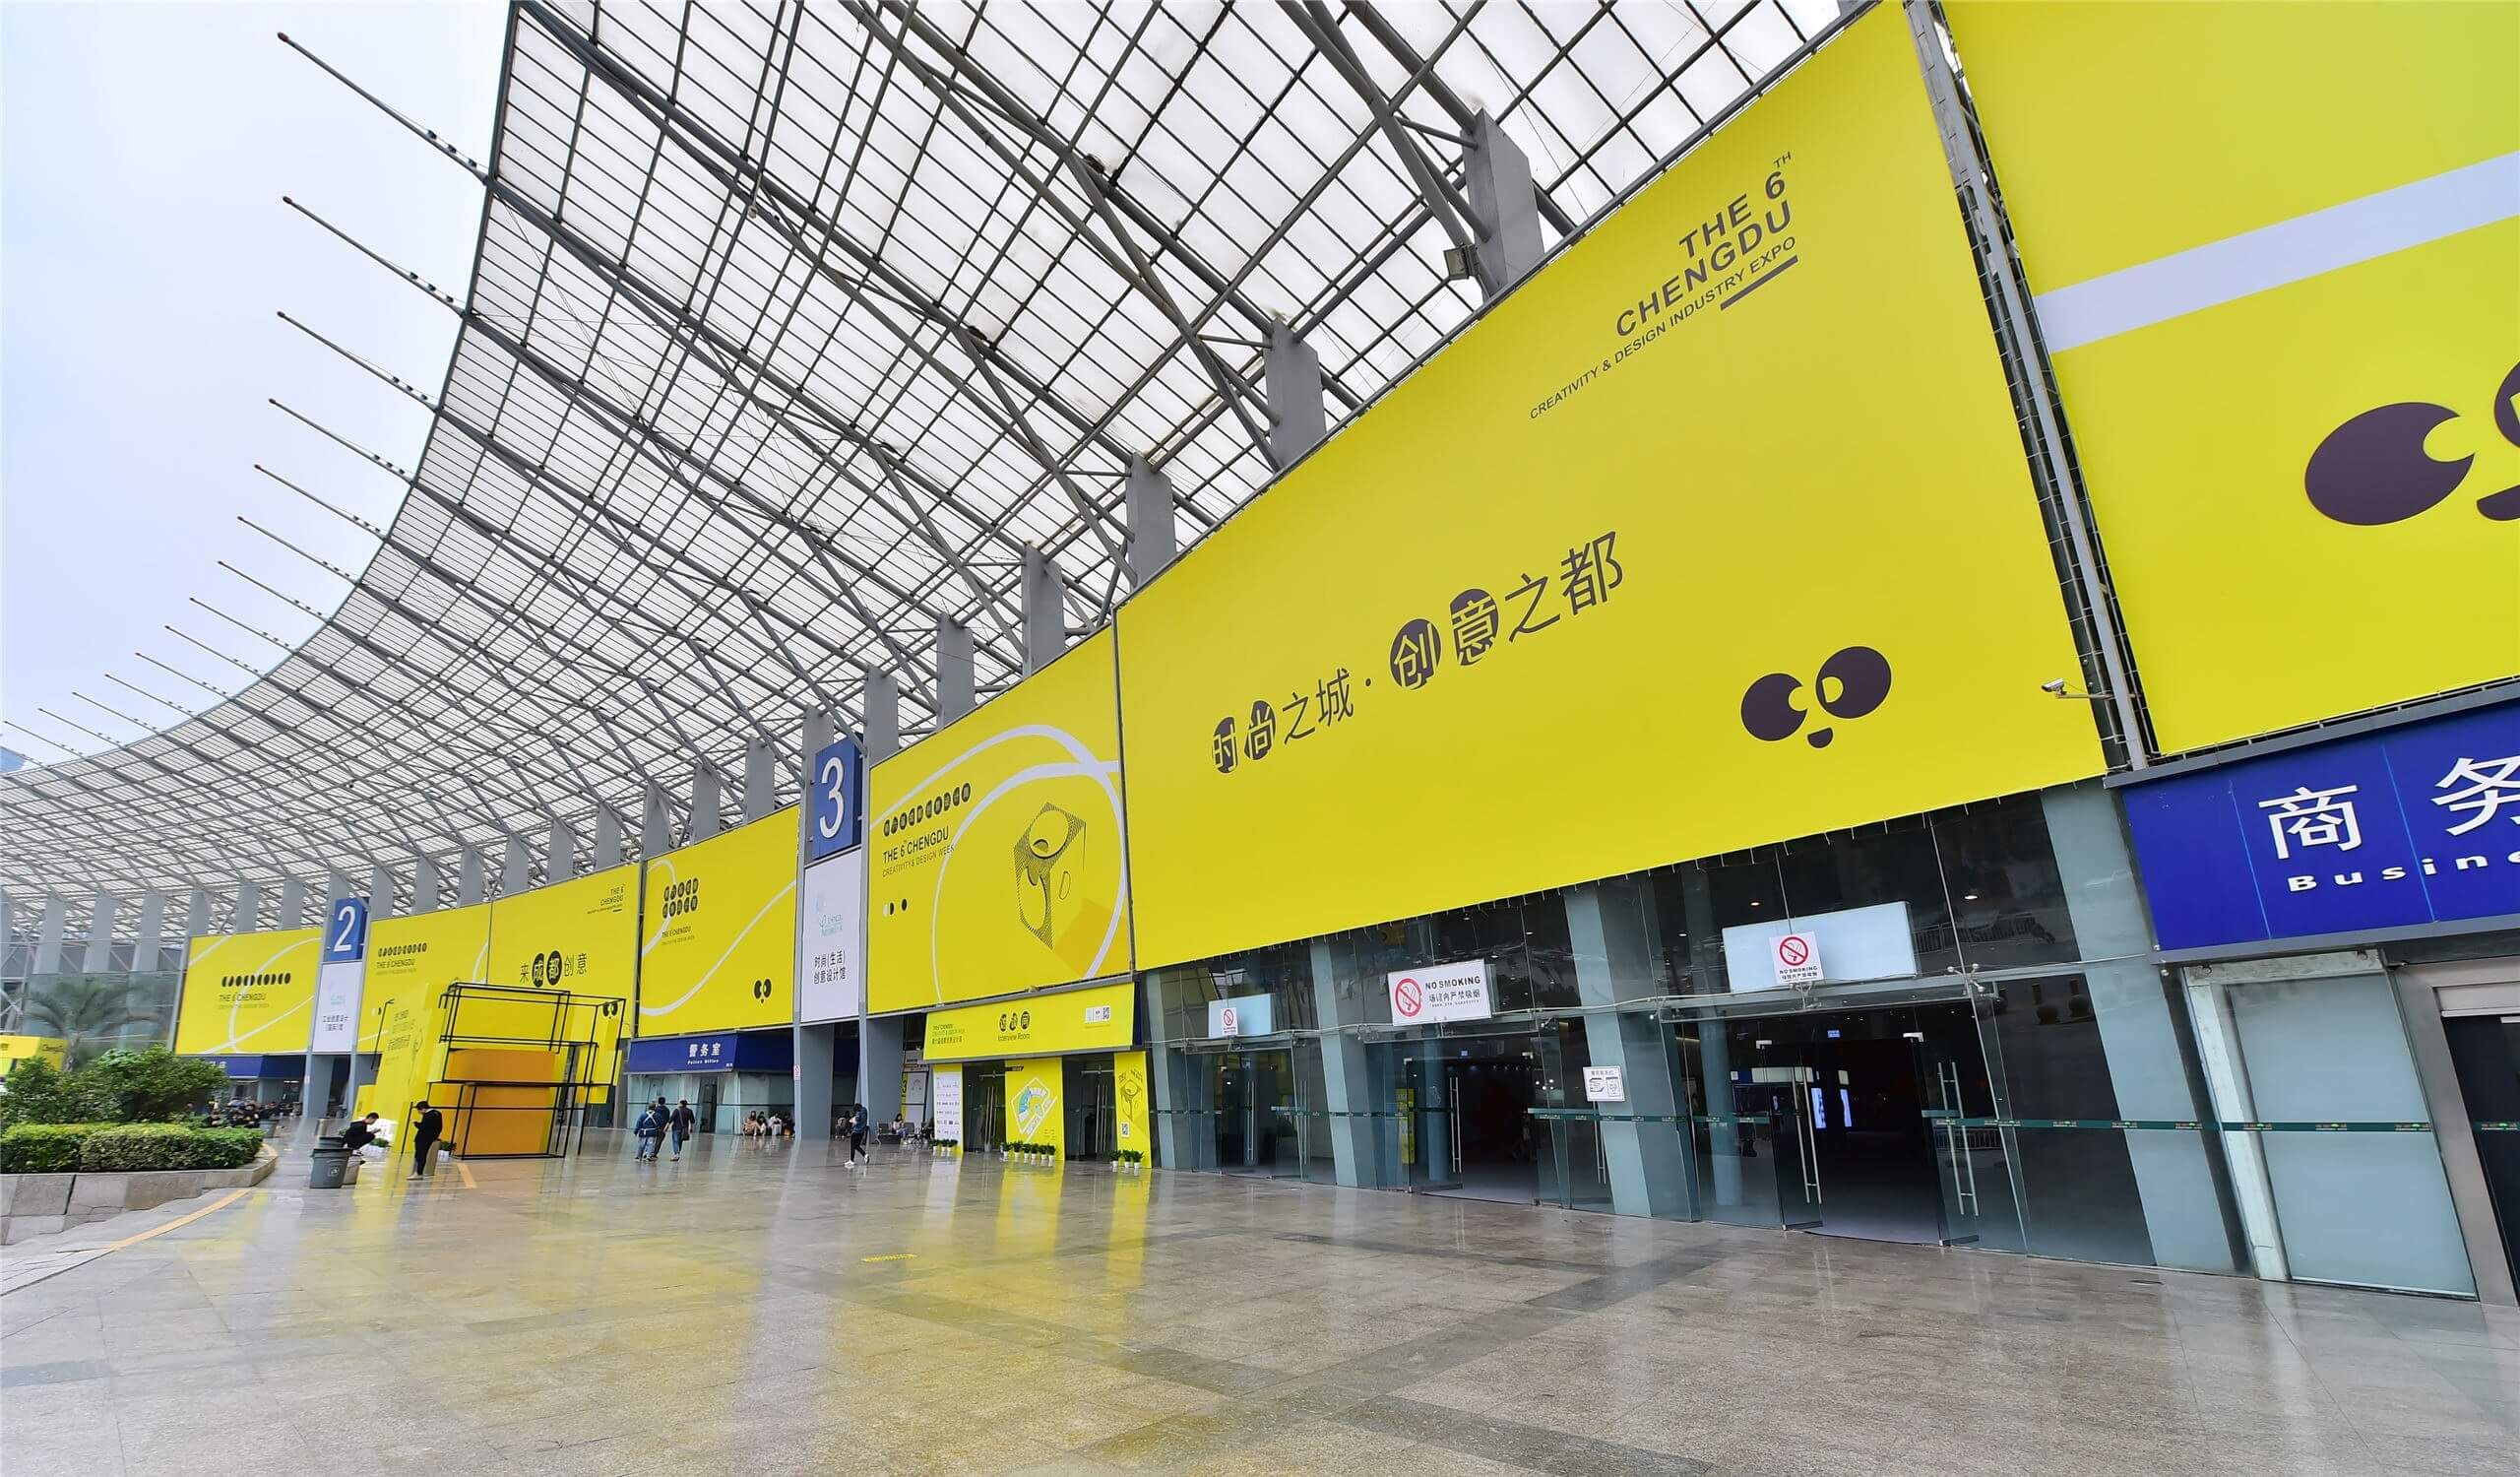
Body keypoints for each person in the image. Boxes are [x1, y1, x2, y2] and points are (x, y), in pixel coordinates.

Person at [408, 1101, 444, 1180]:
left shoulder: (427, 1115)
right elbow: (440, 1127)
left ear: (423, 1109)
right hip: (430, 1138)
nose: (419, 1112)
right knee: (423, 1154)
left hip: (422, 1138)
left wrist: (415, 1123)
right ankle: (418, 1172)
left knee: (420, 1155)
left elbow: (423, 1127)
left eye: (419, 1110)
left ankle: (418, 1173)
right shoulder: (438, 1113)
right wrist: (434, 1137)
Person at [846, 1102, 870, 1166]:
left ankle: (851, 1160)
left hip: (856, 1132)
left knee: (852, 1146)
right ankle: (865, 1155)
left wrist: (852, 1121)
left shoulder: (858, 1112)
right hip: (862, 1132)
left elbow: (857, 1120)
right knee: (856, 1146)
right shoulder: (865, 1110)